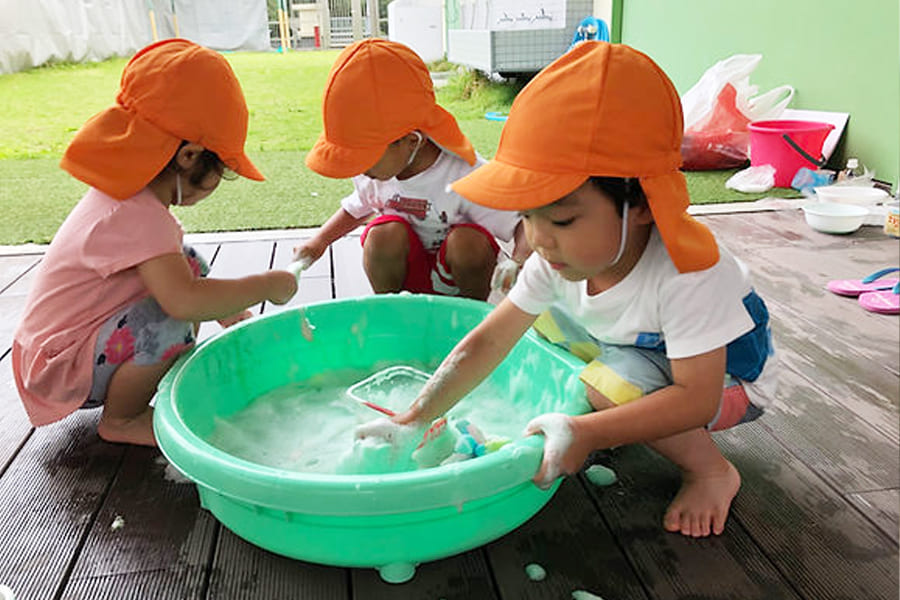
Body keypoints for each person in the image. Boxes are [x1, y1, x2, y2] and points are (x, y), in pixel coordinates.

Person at [356, 42, 777, 538]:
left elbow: (697, 401)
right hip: (639, 347)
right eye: (527, 216)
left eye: (561, 218)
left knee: (602, 389)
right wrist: (414, 417)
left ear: (640, 202)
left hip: (725, 379)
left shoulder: (689, 274)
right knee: (541, 324)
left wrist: (587, 432)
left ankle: (709, 470)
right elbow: (489, 339)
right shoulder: (560, 256)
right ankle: (625, 410)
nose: (538, 238)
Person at [12, 39, 298, 447]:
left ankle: (220, 327)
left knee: (187, 264)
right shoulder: (138, 216)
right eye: (220, 168)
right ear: (189, 156)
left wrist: (229, 308)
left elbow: (182, 279)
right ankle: (123, 419)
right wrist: (267, 284)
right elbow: (183, 302)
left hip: (60, 351)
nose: (218, 182)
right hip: (60, 369)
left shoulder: (127, 195)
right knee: (173, 316)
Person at [297, 39, 529, 300]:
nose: (360, 170)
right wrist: (318, 243)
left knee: (467, 243)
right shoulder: (374, 173)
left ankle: (470, 319)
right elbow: (355, 208)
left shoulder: (466, 175)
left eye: (366, 157)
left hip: (463, 282)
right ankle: (393, 309)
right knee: (382, 235)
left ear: (411, 141)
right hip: (408, 277)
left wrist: (518, 261)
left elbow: (524, 223)